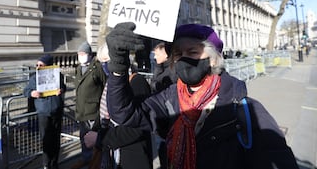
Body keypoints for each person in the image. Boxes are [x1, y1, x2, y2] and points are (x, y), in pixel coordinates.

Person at [105, 22, 299, 169]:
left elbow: (280, 161)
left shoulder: (244, 108)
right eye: (179, 54)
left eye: (193, 52)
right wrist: (118, 67)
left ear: (213, 60)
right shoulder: (168, 99)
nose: (185, 58)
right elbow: (124, 113)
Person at [84, 43, 153, 169]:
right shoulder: (111, 83)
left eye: (106, 60)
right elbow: (104, 115)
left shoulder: (137, 83)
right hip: (111, 156)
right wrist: (94, 131)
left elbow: (138, 128)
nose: (104, 66)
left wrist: (100, 138)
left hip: (131, 158)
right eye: (101, 62)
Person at [23, 54, 66, 169]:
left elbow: (64, 87)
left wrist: (61, 90)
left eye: (41, 65)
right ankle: (46, 164)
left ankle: (54, 163)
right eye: (37, 65)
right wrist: (32, 93)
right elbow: (26, 91)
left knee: (56, 139)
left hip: (56, 111)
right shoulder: (34, 77)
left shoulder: (58, 76)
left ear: (48, 66)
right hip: (43, 112)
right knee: (46, 139)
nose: (38, 67)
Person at [71, 41, 107, 169]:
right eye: (79, 53)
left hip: (93, 111)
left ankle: (95, 163)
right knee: (84, 139)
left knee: (94, 140)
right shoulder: (79, 69)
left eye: (83, 53)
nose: (81, 56)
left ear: (90, 54)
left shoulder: (97, 68)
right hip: (81, 111)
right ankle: (86, 160)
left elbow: (105, 86)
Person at [150, 41, 177, 169]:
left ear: (166, 54)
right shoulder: (161, 68)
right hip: (160, 122)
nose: (154, 57)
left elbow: (156, 87)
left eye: (157, 54)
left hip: (169, 123)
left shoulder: (172, 72)